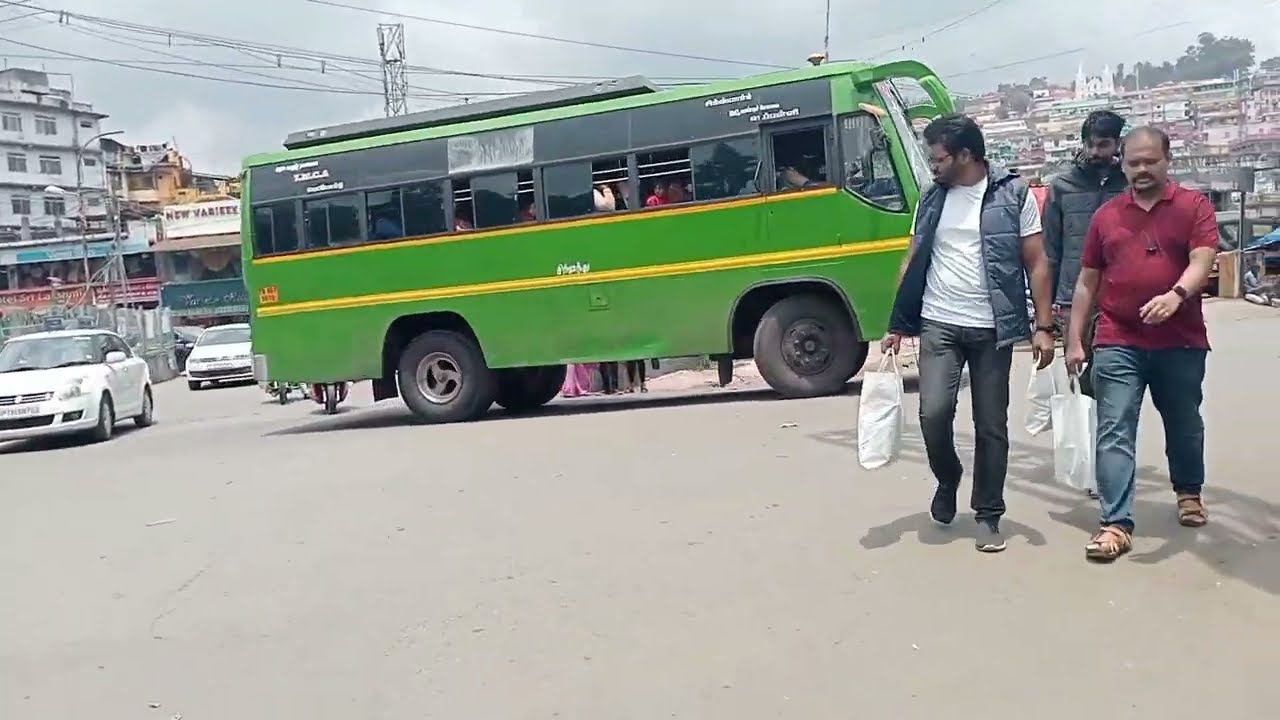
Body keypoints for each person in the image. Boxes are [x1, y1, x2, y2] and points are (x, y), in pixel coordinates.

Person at [882, 113, 1055, 554]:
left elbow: (1036, 262)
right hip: (939, 323)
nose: (932, 165)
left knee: (991, 425)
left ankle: (988, 513)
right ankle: (948, 478)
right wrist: (897, 323)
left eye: (938, 157)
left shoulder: (1013, 194)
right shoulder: (931, 197)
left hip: (993, 328)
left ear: (965, 155)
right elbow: (913, 256)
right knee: (932, 414)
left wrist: (1043, 327)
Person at [1065, 126, 1218, 563]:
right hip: (1118, 338)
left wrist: (1176, 296)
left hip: (1181, 341)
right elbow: (1087, 281)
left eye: (1150, 161)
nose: (1142, 169)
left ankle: (1189, 491)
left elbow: (1203, 259)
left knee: (1184, 423)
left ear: (1167, 160)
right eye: (1133, 162)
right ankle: (1115, 524)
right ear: (1123, 164)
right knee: (1114, 429)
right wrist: (1074, 338)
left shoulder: (1193, 206)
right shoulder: (1107, 216)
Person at [1043, 111, 1128, 399]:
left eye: (1103, 144)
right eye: (1089, 144)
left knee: (1117, 375)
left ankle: (1112, 436)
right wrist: (1047, 306)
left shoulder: (1130, 185)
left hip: (1121, 295)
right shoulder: (1062, 187)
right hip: (1072, 297)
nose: (1094, 152)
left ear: (1117, 144)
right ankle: (1086, 440)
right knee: (1080, 376)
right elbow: (1049, 249)